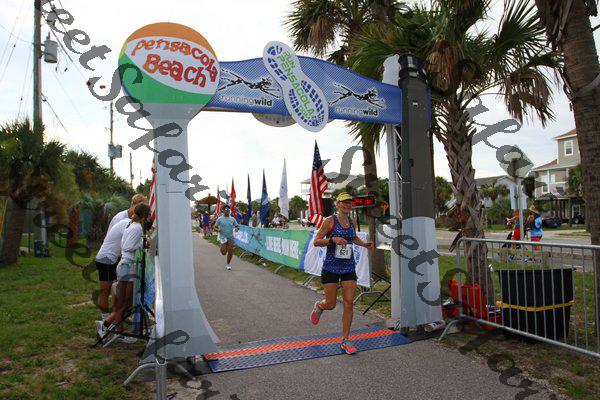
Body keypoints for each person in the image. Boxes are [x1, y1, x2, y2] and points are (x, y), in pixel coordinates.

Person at [309, 192, 373, 355]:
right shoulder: (329, 221)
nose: (347, 205)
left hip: (348, 268)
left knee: (349, 302)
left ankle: (345, 339)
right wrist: (332, 240)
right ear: (337, 204)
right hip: (331, 268)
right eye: (344, 202)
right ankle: (320, 306)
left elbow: (353, 238)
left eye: (349, 202)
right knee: (331, 304)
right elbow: (316, 241)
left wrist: (364, 244)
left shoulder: (352, 221)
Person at [100, 203, 152, 343]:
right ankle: (108, 326)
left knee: (125, 301)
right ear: (144, 216)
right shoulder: (137, 228)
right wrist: (143, 244)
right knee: (125, 301)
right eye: (148, 214)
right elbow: (127, 246)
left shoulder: (132, 225)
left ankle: (112, 326)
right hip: (127, 266)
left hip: (126, 266)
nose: (149, 217)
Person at [94, 217, 131, 327]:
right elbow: (128, 245)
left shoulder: (127, 222)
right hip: (107, 260)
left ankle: (113, 320)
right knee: (106, 291)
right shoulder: (128, 223)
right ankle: (105, 322)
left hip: (111, 259)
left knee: (115, 289)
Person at [214, 205, 239, 270]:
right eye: (226, 210)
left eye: (228, 210)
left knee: (230, 251)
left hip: (230, 237)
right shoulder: (220, 219)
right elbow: (215, 227)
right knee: (224, 253)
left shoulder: (232, 219)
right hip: (223, 237)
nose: (227, 211)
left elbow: (236, 226)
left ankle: (228, 264)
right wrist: (218, 229)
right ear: (223, 211)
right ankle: (223, 247)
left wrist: (236, 228)